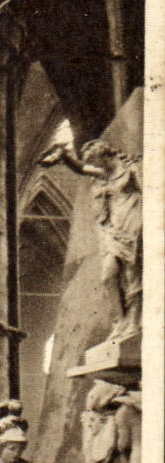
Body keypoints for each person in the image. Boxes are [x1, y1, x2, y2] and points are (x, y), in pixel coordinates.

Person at [40, 137, 142, 343]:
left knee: (132, 275)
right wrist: (63, 156)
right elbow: (81, 169)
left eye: (95, 161)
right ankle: (121, 320)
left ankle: (134, 321)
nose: (94, 168)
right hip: (115, 229)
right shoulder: (103, 172)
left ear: (105, 156)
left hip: (134, 222)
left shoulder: (131, 169)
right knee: (108, 275)